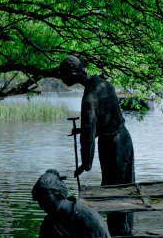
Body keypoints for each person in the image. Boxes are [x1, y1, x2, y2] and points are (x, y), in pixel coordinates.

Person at [54, 54, 134, 186]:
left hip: (112, 146)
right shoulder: (105, 84)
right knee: (125, 186)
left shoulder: (89, 98)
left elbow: (88, 134)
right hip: (124, 139)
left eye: (63, 73)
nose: (61, 77)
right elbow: (107, 120)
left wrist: (85, 164)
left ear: (73, 72)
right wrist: (82, 130)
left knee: (113, 188)